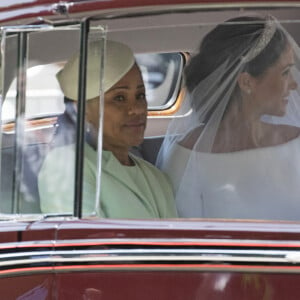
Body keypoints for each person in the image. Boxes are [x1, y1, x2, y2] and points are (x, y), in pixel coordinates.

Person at [157, 15, 300, 220]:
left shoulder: (297, 143)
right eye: (285, 72)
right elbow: (183, 239)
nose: (294, 84)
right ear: (247, 82)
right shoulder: (186, 158)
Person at [38, 40, 177, 218]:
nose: (138, 109)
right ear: (82, 109)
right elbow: (84, 242)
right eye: (119, 98)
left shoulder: (156, 177)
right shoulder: (66, 166)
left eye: (140, 95)